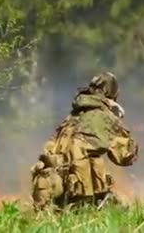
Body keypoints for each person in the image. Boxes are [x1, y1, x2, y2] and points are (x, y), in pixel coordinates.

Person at [30, 72, 138, 211]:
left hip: (60, 195)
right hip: (86, 195)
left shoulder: (71, 117)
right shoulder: (105, 116)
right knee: (123, 210)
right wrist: (116, 120)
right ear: (111, 94)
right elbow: (125, 156)